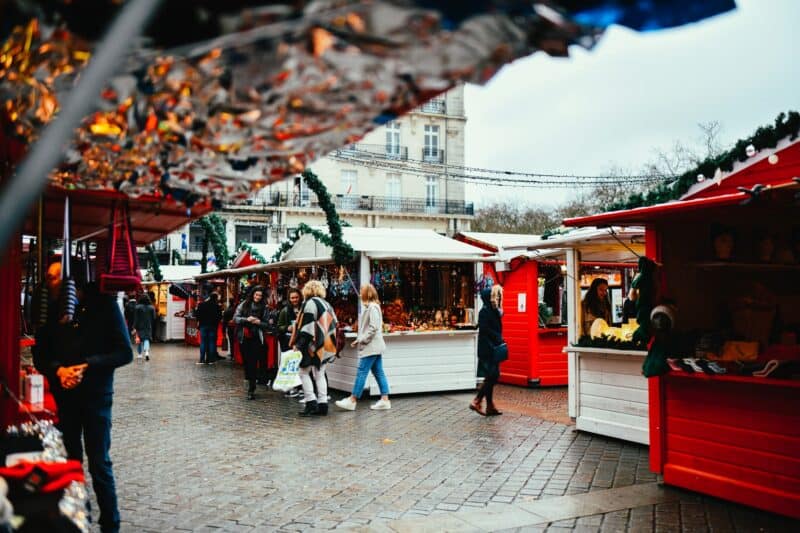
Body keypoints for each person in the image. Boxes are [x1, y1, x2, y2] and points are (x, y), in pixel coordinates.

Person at [33, 263, 132, 533]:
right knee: (71, 462)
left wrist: (88, 364)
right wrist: (59, 370)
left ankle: (110, 524)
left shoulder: (105, 306)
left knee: (100, 462)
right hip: (66, 398)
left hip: (97, 396)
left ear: (70, 282)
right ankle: (79, 520)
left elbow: (125, 352)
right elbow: (40, 355)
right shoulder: (49, 309)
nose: (48, 282)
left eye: (53, 278)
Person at [335, 283, 391, 411]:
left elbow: (373, 328)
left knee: (362, 371)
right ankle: (385, 399)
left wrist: (361, 340)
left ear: (367, 293)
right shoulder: (372, 307)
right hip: (374, 346)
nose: (360, 293)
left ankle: (352, 399)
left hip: (371, 346)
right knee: (378, 372)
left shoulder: (372, 307)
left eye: (362, 291)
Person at [290, 280, 338, 416]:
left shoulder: (310, 303)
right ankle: (323, 405)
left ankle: (311, 402)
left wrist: (299, 345)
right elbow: (335, 323)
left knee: (303, 372)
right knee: (320, 373)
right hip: (327, 343)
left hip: (313, 344)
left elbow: (307, 327)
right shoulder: (327, 304)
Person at [470, 284, 504, 416]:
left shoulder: (492, 310)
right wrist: (498, 338)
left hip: (491, 347)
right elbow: (485, 330)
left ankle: (490, 406)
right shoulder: (484, 311)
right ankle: (477, 400)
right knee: (492, 376)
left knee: (490, 376)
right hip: (488, 348)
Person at [233, 286, 271, 399]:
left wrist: (259, 322)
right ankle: (250, 380)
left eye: (260, 295)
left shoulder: (264, 308)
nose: (258, 297)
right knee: (246, 361)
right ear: (252, 294)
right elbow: (235, 318)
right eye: (256, 295)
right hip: (244, 337)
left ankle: (251, 388)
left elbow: (267, 324)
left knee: (253, 362)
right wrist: (246, 319)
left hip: (256, 338)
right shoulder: (244, 304)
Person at [196, 292, 222, 365]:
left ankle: (201, 360)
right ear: (216, 298)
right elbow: (220, 316)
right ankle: (211, 360)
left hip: (203, 325)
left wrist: (200, 321)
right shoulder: (217, 306)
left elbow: (197, 315)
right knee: (212, 342)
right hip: (213, 326)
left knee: (203, 342)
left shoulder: (201, 304)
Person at [133, 294, 156, 361]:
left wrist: (134, 326)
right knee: (146, 339)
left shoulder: (137, 307)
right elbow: (154, 317)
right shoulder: (152, 307)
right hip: (148, 326)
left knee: (139, 340)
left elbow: (136, 318)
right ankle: (146, 352)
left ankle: (140, 354)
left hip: (139, 326)